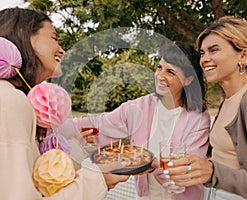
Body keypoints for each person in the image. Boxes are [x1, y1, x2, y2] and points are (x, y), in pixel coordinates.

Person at [0, 7, 128, 200]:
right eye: (54, 38)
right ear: (26, 37)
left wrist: (78, 148)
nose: (62, 50)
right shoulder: (5, 101)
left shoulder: (5, 97)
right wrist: (99, 180)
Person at [60, 42, 211, 199]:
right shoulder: (139, 107)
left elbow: (189, 169)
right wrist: (53, 126)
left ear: (187, 80)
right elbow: (98, 125)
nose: (160, 76)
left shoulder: (199, 119)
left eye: (170, 72)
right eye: (159, 68)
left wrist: (152, 163)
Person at [166, 16, 247, 200]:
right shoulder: (229, 100)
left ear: (243, 55)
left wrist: (212, 172)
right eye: (202, 53)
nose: (204, 59)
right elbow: (223, 159)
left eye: (213, 50)